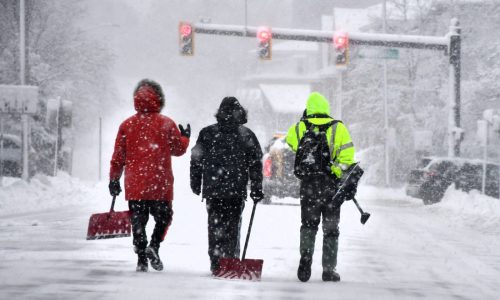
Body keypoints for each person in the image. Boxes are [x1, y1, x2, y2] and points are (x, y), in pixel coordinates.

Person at [109, 79, 190, 272]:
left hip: (135, 183)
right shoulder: (166, 124)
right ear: (159, 99)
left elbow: (118, 157)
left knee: (138, 220)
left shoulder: (127, 125)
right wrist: (185, 137)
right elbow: (178, 150)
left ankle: (141, 259)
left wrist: (114, 179)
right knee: (164, 218)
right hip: (159, 182)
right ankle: (154, 245)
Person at [285, 92, 356, 282]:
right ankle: (328, 269)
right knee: (331, 229)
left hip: (308, 186)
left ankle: (306, 258)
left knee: (308, 225)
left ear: (309, 108)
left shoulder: (299, 127)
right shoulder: (338, 128)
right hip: (331, 187)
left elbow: (292, 145)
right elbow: (347, 159)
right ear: (326, 108)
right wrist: (336, 171)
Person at [190, 96, 264, 274]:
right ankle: (230, 260)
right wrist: (256, 187)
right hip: (235, 191)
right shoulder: (246, 135)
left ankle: (216, 261)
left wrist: (195, 182)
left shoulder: (207, 133)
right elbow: (255, 163)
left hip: (213, 191)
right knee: (232, 226)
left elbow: (196, 159)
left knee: (214, 226)